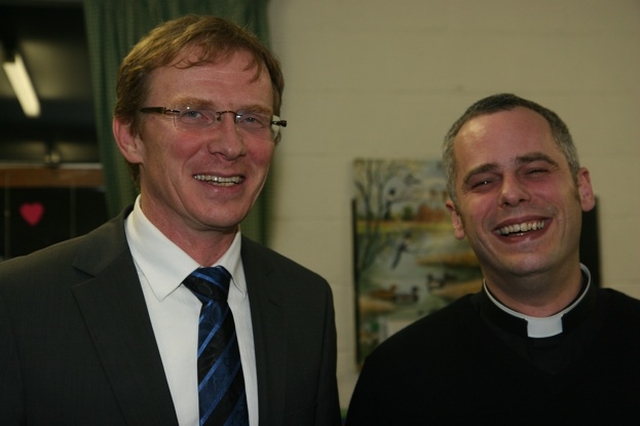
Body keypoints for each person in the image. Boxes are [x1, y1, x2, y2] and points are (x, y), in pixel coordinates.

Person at [0, 15, 341, 426]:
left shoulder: (307, 302)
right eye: (195, 113)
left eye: (252, 118)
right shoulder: (20, 303)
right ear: (130, 136)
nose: (231, 145)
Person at [346, 93, 640, 424]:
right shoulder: (396, 375)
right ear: (456, 217)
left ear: (582, 189)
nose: (511, 194)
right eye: (484, 181)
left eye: (535, 169)